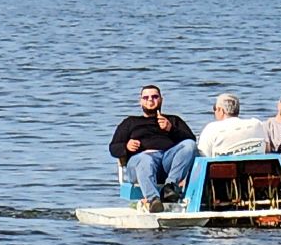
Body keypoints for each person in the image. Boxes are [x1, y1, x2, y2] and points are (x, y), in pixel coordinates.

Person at [109, 84, 196, 212]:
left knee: (190, 145)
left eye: (154, 97)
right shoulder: (130, 122)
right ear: (141, 101)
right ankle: (153, 200)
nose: (150, 100)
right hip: (140, 165)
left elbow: (190, 142)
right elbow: (113, 148)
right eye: (146, 97)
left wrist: (170, 129)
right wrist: (126, 146)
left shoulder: (172, 120)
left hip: (166, 163)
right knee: (145, 159)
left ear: (161, 99)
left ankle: (169, 188)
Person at [196, 92, 264, 156]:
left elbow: (203, 156)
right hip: (255, 167)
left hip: (222, 168)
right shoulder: (257, 124)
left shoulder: (211, 129)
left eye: (215, 108)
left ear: (220, 110)